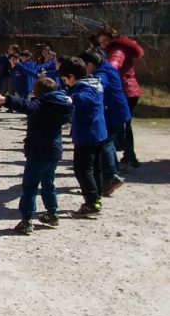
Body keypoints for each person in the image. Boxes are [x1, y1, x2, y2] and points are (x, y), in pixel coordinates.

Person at [0, 76, 73, 235]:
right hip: (54, 151)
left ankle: (26, 220)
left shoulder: (41, 105)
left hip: (38, 151)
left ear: (38, 91)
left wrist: (5, 100)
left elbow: (24, 105)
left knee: (30, 186)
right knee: (49, 183)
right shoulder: (63, 104)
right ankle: (52, 213)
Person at [57, 57, 107, 218]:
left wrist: (72, 99)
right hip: (99, 132)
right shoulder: (95, 81)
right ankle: (97, 195)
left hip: (87, 134)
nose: (65, 83)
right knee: (95, 168)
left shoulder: (83, 87)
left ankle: (92, 201)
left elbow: (86, 97)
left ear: (71, 76)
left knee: (82, 169)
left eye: (65, 79)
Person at [78, 50, 129, 196]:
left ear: (89, 64)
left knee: (105, 143)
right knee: (109, 143)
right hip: (116, 112)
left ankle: (111, 176)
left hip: (113, 114)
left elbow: (99, 83)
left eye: (83, 67)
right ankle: (111, 175)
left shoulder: (102, 74)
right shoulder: (105, 67)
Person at [97, 30, 144, 169]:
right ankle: (129, 157)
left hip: (125, 91)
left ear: (113, 38)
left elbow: (114, 65)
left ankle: (124, 159)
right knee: (124, 125)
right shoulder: (117, 48)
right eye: (101, 42)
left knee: (120, 125)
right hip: (128, 89)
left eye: (105, 40)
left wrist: (101, 76)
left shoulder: (117, 49)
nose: (103, 44)